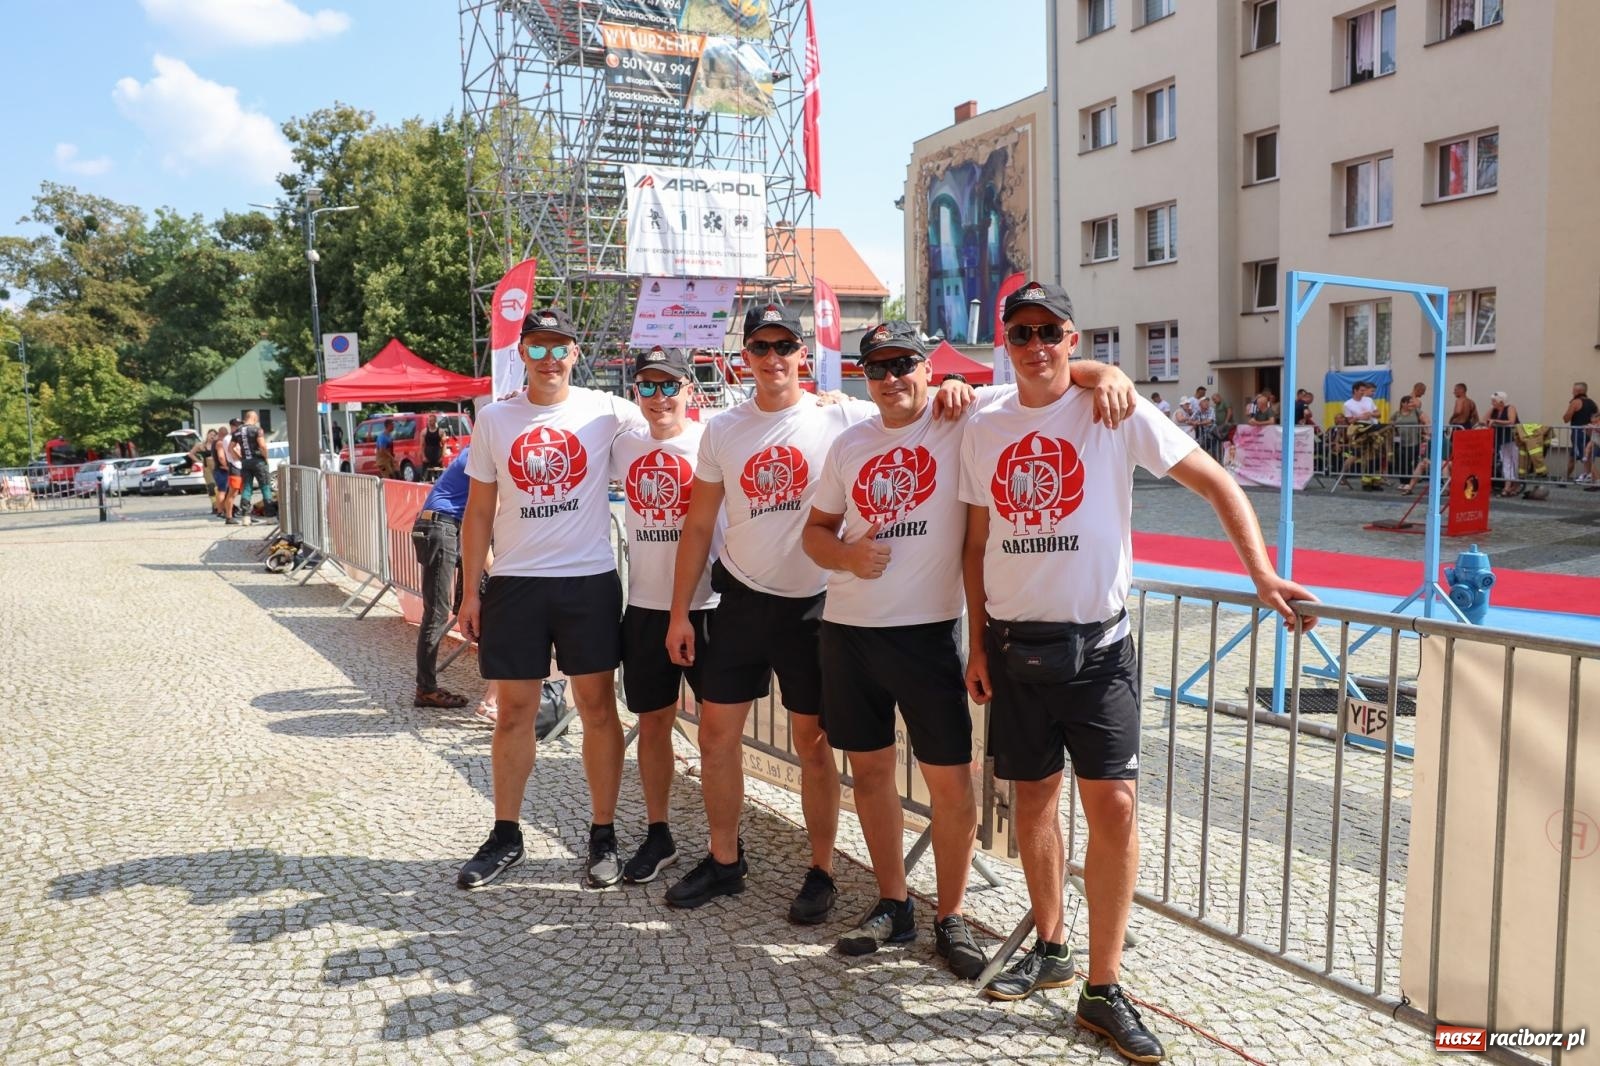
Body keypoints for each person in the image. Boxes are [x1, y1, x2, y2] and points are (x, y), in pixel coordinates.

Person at [958, 281, 1317, 1064]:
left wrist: (1262, 575)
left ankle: (1104, 985)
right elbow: (975, 541)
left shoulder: (1113, 408)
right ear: (1005, 343)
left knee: (1114, 806)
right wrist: (977, 645)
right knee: (1032, 806)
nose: (1037, 345)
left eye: (1050, 331)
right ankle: (1051, 946)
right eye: (1021, 333)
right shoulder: (983, 422)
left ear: (1074, 337)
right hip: (1015, 648)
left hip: (1100, 649)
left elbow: (1217, 482)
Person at [801, 320, 1134, 977]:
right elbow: (815, 533)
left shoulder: (966, 415)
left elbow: (1052, 372)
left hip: (926, 633)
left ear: (927, 368)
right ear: (863, 379)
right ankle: (894, 903)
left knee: (950, 788)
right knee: (869, 775)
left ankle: (949, 916)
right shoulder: (849, 443)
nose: (892, 378)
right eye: (878, 369)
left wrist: (1109, 374)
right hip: (848, 631)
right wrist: (844, 554)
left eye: (905, 365)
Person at [661, 303, 973, 920]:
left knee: (812, 743)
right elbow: (697, 526)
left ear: (804, 353)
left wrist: (956, 384)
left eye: (784, 346)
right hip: (743, 598)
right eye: (760, 348)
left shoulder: (849, 414)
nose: (773, 358)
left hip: (816, 607)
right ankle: (725, 860)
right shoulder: (724, 429)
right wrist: (678, 612)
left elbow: (912, 404)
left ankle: (822, 869)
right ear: (743, 357)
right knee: (717, 734)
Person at [454, 306, 647, 891]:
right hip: (516, 583)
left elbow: (679, 423)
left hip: (587, 580)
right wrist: (470, 590)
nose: (547, 358)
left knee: (596, 708)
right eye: (536, 347)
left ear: (574, 352)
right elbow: (479, 510)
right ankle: (506, 834)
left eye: (558, 346)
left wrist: (825, 403)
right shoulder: (494, 419)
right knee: (513, 713)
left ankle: (603, 833)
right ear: (521, 353)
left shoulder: (609, 410)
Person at [608, 345, 722, 885]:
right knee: (652, 724)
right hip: (647, 608)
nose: (659, 398)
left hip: (711, 609)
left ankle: (726, 844)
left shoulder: (712, 437)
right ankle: (659, 833)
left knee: (719, 735)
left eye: (668, 385)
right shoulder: (625, 445)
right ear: (637, 395)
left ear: (689, 389)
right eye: (647, 387)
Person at [412, 447, 474, 710]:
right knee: (436, 612)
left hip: (437, 525)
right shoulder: (481, 453)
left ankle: (426, 686)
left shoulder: (473, 450)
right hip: (442, 526)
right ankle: (426, 689)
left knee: (435, 611)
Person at [233, 411, 272, 524]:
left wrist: (240, 458)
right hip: (258, 461)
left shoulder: (237, 431)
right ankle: (270, 516)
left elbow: (231, 448)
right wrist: (266, 457)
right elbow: (262, 445)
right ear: (254, 418)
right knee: (265, 487)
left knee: (247, 488)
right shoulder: (257, 430)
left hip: (246, 462)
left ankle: (245, 517)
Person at [1486, 391, 1521, 496]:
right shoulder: (1495, 411)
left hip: (1512, 439)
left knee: (1514, 462)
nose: (1492, 403)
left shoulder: (1510, 408)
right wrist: (1492, 411)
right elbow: (1484, 420)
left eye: (1494, 401)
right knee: (1506, 463)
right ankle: (1507, 486)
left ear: (1501, 401)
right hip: (1502, 440)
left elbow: (1511, 421)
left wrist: (1495, 421)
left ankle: (1515, 485)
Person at [1563, 382, 1597, 482]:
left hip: (1579, 434)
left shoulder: (1575, 402)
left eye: (1573, 390)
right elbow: (1596, 419)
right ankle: (1564, 478)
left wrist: (1568, 412)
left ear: (1578, 391)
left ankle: (1597, 481)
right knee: (1572, 458)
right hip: (1590, 433)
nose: (1572, 392)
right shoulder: (1593, 403)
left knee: (1585, 459)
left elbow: (1566, 418)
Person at [221, 418, 244, 525]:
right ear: (232, 426)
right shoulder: (228, 438)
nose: (239, 427)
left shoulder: (239, 436)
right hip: (235, 466)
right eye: (237, 425)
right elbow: (232, 451)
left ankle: (246, 514)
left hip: (242, 466)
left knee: (245, 491)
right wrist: (241, 458)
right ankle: (229, 516)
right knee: (233, 492)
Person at [421, 413, 448, 481]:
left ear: (435, 421)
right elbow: (422, 445)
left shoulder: (441, 432)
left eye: (432, 421)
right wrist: (423, 456)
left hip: (437, 455)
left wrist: (442, 456)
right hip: (428, 455)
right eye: (429, 421)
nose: (430, 422)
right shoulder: (424, 432)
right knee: (425, 475)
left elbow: (444, 445)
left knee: (439, 475)